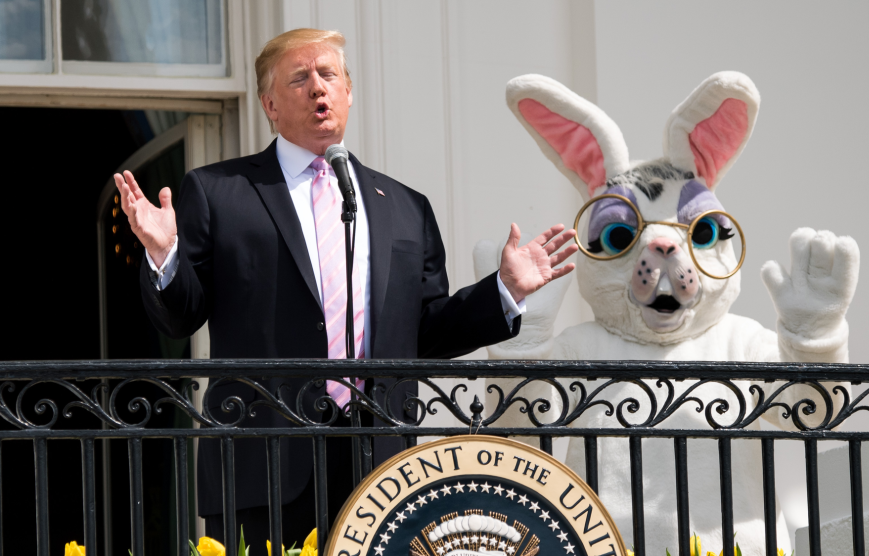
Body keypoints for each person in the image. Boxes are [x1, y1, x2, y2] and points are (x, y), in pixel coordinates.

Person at [112, 28, 577, 549]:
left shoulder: (405, 206)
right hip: (263, 458)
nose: (318, 88)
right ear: (269, 103)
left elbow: (423, 334)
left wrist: (503, 291)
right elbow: (180, 317)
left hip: (381, 467)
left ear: (348, 92)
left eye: (329, 75)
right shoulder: (219, 191)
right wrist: (163, 254)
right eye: (300, 78)